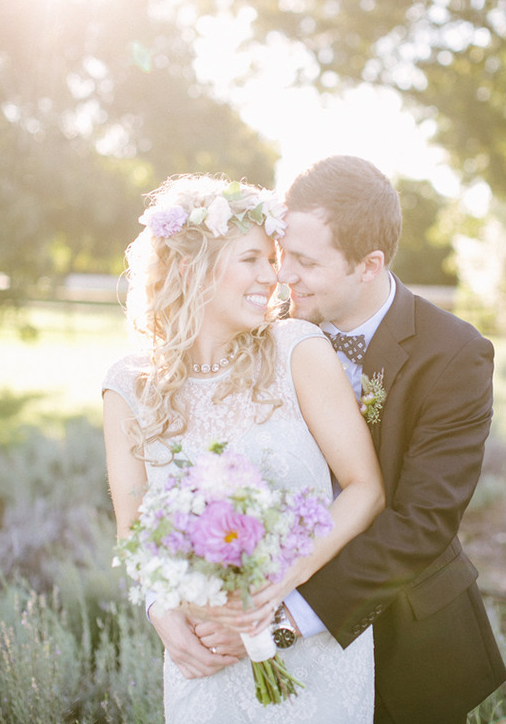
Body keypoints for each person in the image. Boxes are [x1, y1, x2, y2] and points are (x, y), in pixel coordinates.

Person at [103, 173, 385, 724]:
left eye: (272, 259)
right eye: (252, 259)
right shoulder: (129, 387)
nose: (272, 276)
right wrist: (164, 612)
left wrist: (278, 588)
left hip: (312, 649)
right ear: (192, 267)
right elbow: (133, 532)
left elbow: (365, 489)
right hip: (201, 655)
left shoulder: (297, 350)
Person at [274, 155, 506, 724]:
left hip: (406, 637)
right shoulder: (269, 332)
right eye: (283, 255)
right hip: (276, 639)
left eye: (305, 261)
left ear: (369, 264)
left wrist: (291, 615)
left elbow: (423, 521)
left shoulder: (454, 355)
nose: (284, 276)